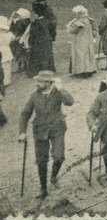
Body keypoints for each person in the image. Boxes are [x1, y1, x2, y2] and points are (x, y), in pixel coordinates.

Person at [17, 70, 75, 198]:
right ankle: (43, 189)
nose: (38, 83)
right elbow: (25, 114)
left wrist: (61, 88)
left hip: (57, 128)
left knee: (59, 156)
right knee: (41, 161)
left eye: (41, 81)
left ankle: (53, 177)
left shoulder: (58, 93)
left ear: (49, 82)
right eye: (38, 80)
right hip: (40, 130)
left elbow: (70, 102)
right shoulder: (34, 96)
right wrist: (22, 132)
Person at [25, 3, 56, 78]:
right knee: (47, 55)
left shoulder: (36, 22)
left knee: (37, 56)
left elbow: (33, 34)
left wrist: (30, 43)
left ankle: (36, 71)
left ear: (36, 13)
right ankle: (48, 70)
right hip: (47, 40)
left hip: (38, 41)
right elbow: (52, 31)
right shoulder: (48, 21)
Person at [66, 5, 98, 77]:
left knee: (80, 55)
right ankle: (89, 70)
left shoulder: (78, 22)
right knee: (88, 55)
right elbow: (94, 31)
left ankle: (81, 71)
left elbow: (72, 31)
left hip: (79, 40)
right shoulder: (89, 21)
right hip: (88, 40)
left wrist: (69, 27)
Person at [9, 9, 31, 74]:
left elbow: (17, 29)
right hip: (24, 39)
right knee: (23, 53)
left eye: (19, 15)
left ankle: (21, 68)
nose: (18, 16)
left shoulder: (22, 22)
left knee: (20, 53)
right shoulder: (27, 21)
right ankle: (25, 67)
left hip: (21, 39)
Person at [0, 15, 13, 88]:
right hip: (7, 50)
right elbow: (13, 39)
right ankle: (7, 80)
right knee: (7, 66)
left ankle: (2, 80)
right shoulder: (9, 34)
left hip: (1, 50)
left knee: (2, 66)